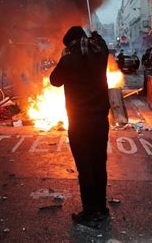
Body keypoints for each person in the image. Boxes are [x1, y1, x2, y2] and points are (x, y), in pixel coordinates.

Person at [50, 26, 110, 228]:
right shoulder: (100, 54)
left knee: (85, 168)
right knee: (99, 164)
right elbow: (102, 44)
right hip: (100, 122)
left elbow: (54, 80)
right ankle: (101, 208)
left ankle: (90, 212)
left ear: (70, 45)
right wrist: (96, 35)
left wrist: (65, 57)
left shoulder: (69, 60)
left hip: (79, 123)